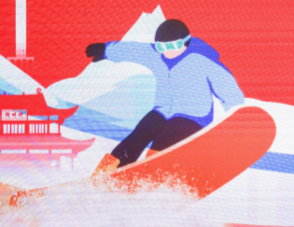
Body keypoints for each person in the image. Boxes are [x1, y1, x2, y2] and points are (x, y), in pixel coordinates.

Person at [86, 19, 244, 172]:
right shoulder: (156, 55)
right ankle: (107, 172)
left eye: (174, 46)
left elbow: (228, 89)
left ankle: (150, 173)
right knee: (139, 134)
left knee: (165, 138)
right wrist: (105, 50)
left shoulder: (202, 60)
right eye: (162, 47)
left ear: (186, 42)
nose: (169, 51)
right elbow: (133, 50)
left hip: (193, 116)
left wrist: (237, 118)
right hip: (162, 111)